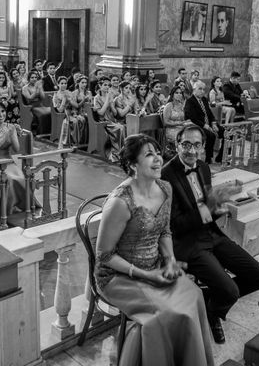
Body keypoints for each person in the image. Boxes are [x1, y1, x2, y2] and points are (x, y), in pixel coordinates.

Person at [95, 134, 214, 366]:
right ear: (132, 165)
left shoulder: (165, 188)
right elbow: (104, 255)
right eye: (149, 154)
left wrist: (170, 260)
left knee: (194, 295)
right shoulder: (120, 202)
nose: (158, 159)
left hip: (155, 266)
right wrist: (145, 275)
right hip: (118, 276)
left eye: (158, 152)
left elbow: (164, 231)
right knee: (164, 314)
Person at [161, 124, 259, 344]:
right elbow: (176, 225)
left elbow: (206, 208)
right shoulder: (165, 175)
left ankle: (208, 305)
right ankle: (214, 312)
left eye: (197, 145)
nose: (191, 151)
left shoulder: (202, 167)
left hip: (212, 235)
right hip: (188, 243)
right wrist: (212, 204)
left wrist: (220, 206)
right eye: (186, 145)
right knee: (229, 291)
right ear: (176, 145)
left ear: (203, 147)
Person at [184, 81, 223, 163]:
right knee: (210, 135)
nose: (202, 91)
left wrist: (213, 123)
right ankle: (208, 158)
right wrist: (205, 126)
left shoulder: (204, 99)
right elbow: (192, 118)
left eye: (203, 89)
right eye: (200, 89)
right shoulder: (190, 101)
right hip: (198, 125)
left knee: (225, 132)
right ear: (194, 90)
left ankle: (221, 156)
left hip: (209, 124)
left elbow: (210, 113)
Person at [93, 77, 125, 163]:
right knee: (119, 128)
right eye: (105, 85)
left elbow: (114, 113)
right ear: (100, 86)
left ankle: (120, 153)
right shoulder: (97, 98)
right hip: (103, 122)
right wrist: (107, 100)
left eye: (108, 85)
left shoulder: (110, 97)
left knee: (122, 127)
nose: (107, 87)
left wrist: (111, 104)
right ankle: (115, 154)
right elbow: (101, 113)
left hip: (111, 120)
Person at [53, 76, 86, 148]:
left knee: (82, 119)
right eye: (62, 83)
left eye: (65, 83)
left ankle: (81, 141)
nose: (64, 85)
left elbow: (76, 106)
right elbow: (60, 110)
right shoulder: (56, 95)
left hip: (71, 112)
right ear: (58, 84)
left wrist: (75, 114)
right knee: (74, 121)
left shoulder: (69, 93)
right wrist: (64, 99)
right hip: (63, 114)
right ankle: (74, 142)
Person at [163, 85, 191, 158]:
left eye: (180, 93)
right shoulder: (169, 106)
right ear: (172, 94)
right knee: (183, 138)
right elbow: (165, 122)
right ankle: (181, 158)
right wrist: (179, 123)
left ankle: (187, 158)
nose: (179, 94)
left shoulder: (181, 105)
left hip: (181, 127)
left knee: (192, 135)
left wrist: (186, 122)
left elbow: (182, 119)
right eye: (176, 93)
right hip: (171, 129)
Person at [21, 69, 49, 135]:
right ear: (29, 79)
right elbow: (29, 98)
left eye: (35, 77)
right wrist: (36, 90)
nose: (34, 79)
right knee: (42, 114)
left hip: (40, 104)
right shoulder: (25, 88)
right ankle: (40, 132)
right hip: (31, 106)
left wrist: (40, 88)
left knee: (49, 112)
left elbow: (43, 97)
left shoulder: (38, 86)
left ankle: (47, 131)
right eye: (32, 77)